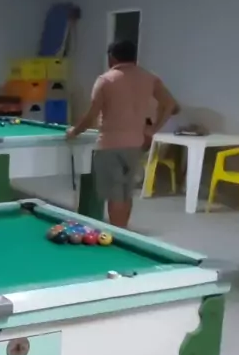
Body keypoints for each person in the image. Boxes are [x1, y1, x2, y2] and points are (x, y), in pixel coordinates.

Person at [66, 40, 178, 228]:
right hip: (136, 143)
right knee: (126, 192)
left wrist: (74, 131)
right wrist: (153, 129)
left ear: (112, 57)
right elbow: (171, 104)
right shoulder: (149, 78)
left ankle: (117, 235)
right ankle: (123, 231)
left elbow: (91, 115)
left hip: (110, 144)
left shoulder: (106, 80)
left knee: (115, 194)